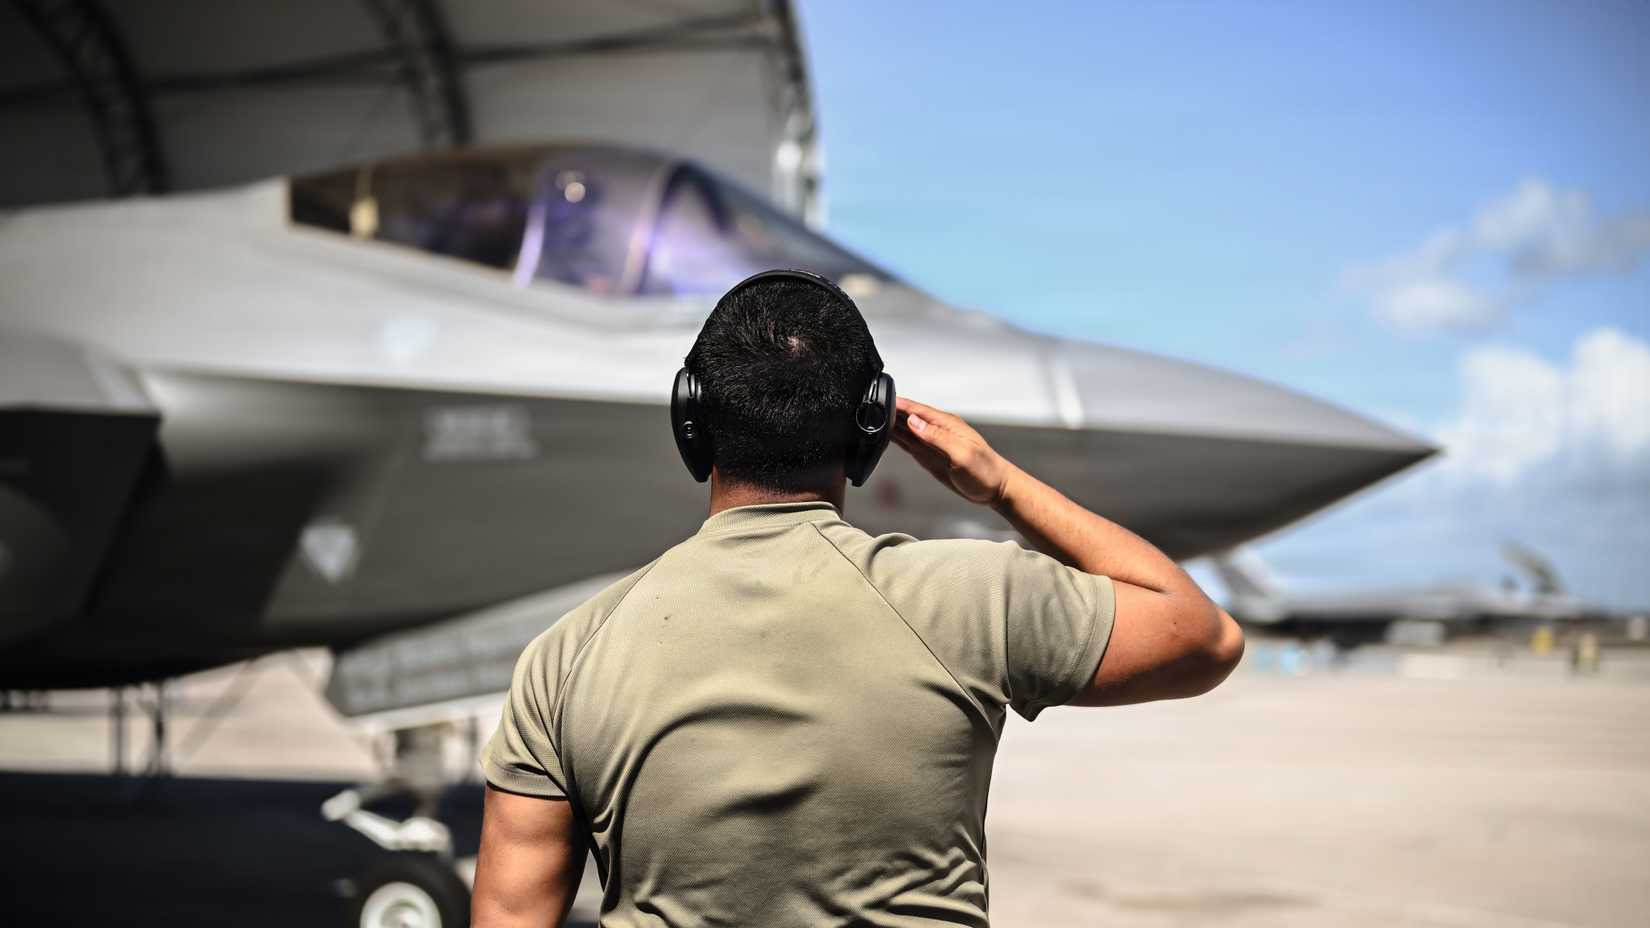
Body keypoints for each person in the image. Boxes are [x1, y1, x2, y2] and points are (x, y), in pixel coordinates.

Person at [472, 270, 1244, 927]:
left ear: (691, 421)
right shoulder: (972, 600)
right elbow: (1204, 638)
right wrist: (1000, 483)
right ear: (872, 428)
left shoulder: (565, 661)